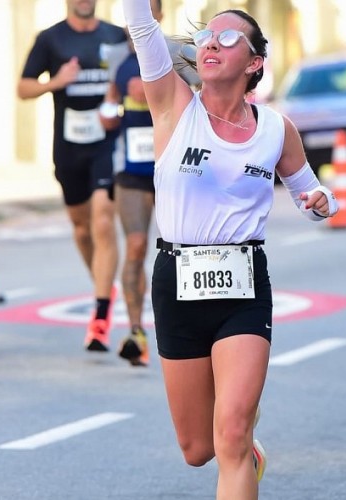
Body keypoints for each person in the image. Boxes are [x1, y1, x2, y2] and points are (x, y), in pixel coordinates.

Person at [121, 0, 339, 497]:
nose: (210, 44)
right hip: (176, 279)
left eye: (227, 38)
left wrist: (322, 202)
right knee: (199, 449)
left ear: (255, 62)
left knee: (232, 436)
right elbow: (139, 21)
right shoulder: (172, 104)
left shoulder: (275, 129)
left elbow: (312, 196)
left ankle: (242, 441)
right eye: (204, 39)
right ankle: (247, 451)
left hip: (242, 282)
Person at [17, 0, 126, 353]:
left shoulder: (115, 36)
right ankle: (102, 284)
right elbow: (23, 88)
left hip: (107, 144)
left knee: (103, 220)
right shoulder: (50, 39)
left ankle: (100, 318)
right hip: (68, 148)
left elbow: (134, 79)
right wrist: (57, 82)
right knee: (82, 228)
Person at [101, 0, 201, 367]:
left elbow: (205, 103)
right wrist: (112, 109)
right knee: (137, 245)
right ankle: (135, 331)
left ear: (157, 15)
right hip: (132, 171)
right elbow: (108, 113)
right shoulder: (116, 60)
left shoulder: (179, 53)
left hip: (175, 170)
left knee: (183, 246)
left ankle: (189, 327)